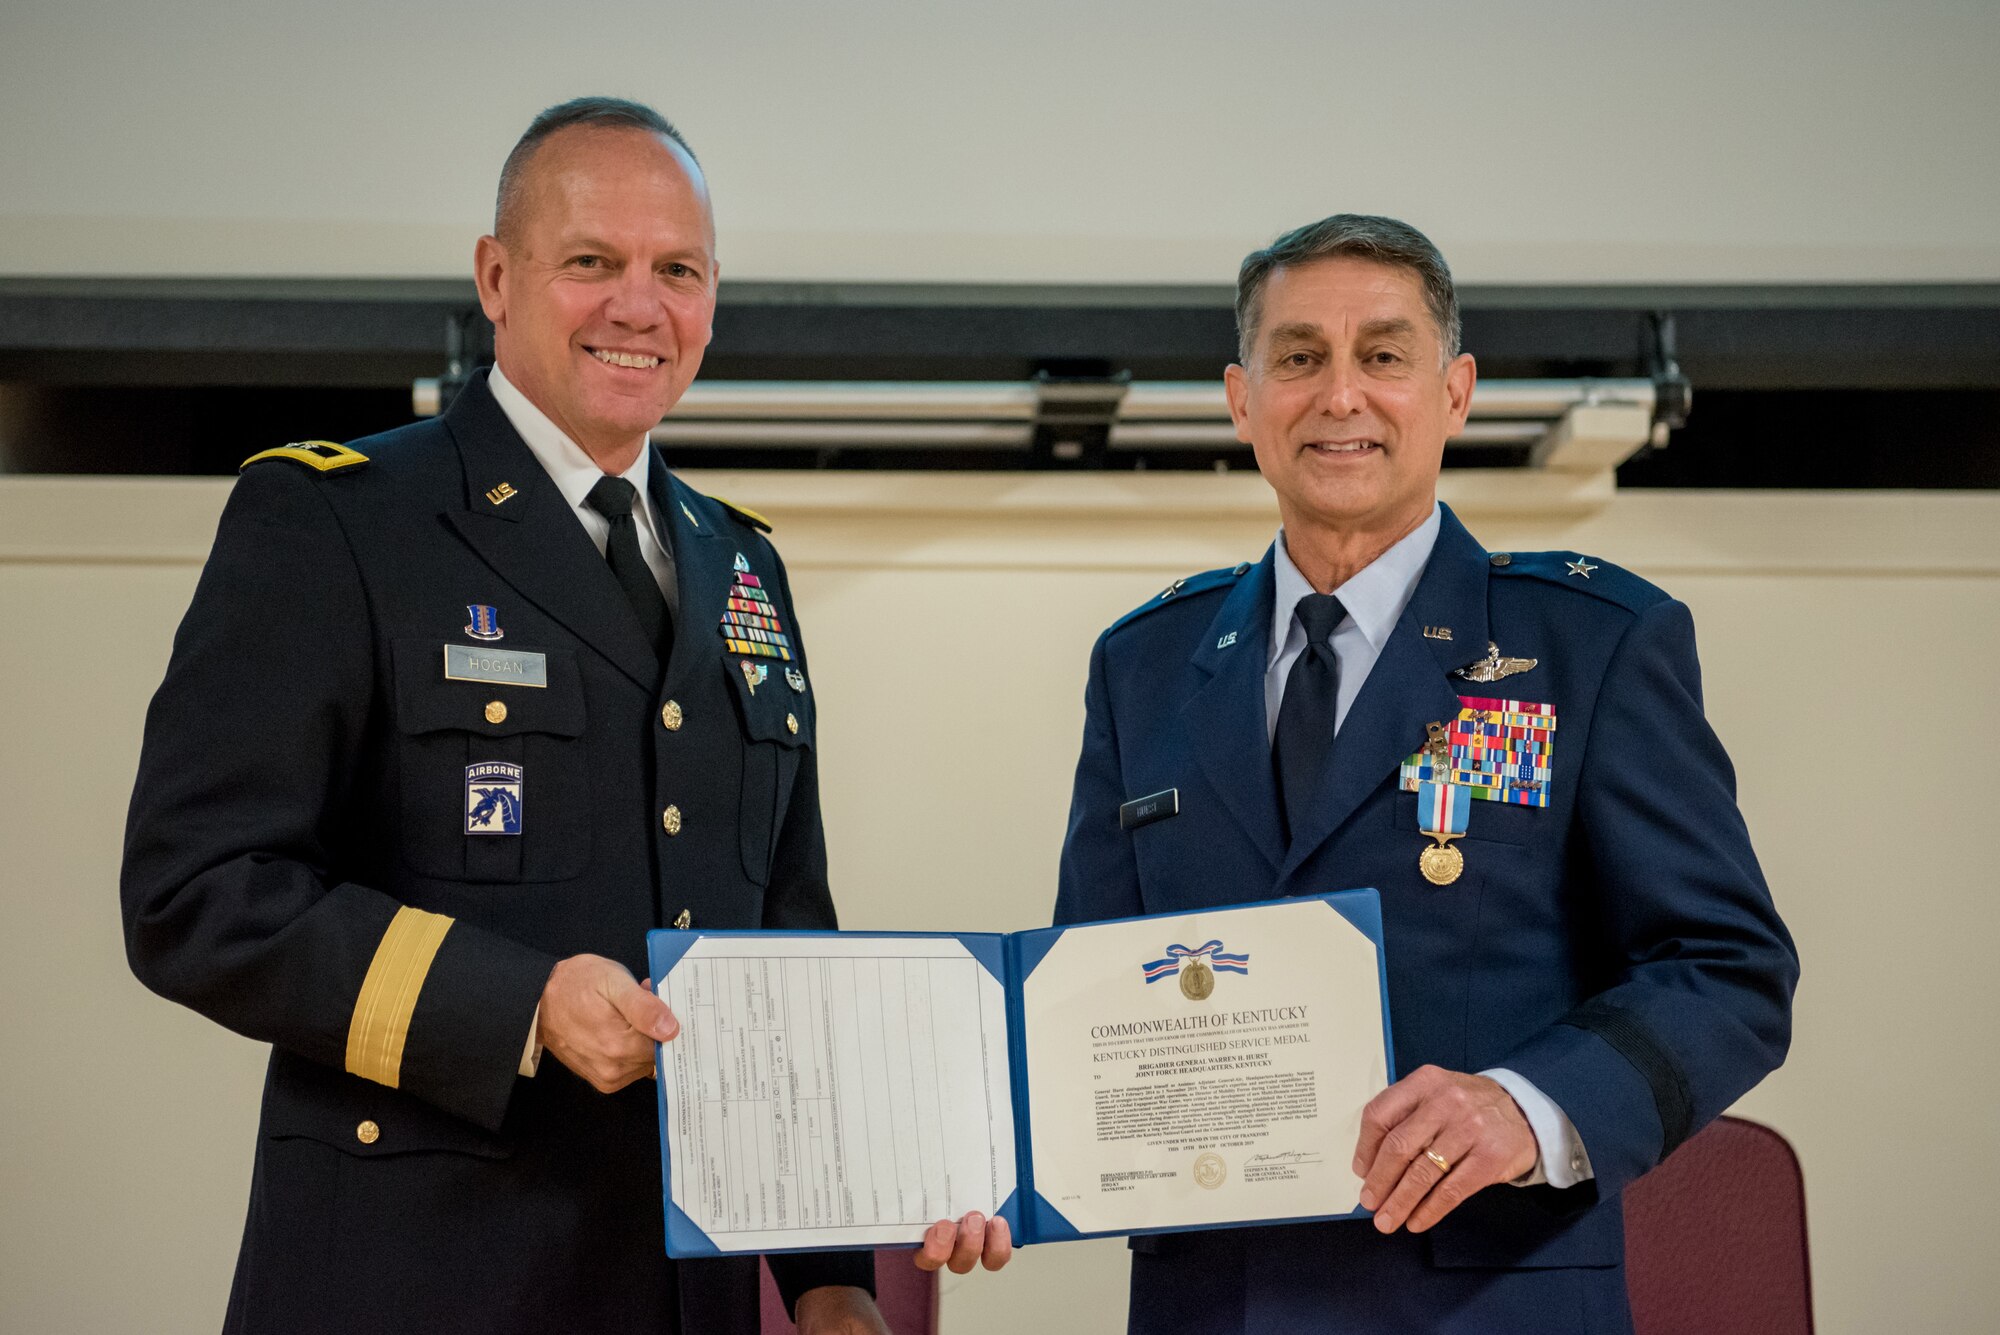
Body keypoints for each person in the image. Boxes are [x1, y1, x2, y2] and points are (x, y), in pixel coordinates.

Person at [121, 97, 1004, 1335]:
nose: (638, 307)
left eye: (677, 271)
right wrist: (519, 1005)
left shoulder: (739, 565)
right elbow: (196, 893)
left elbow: (782, 945)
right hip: (415, 1278)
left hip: (681, 1292)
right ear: (496, 276)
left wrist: (828, 1278)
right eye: (591, 262)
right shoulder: (337, 519)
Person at [1053, 214, 1797, 1333]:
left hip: (1483, 1301)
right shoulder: (1145, 664)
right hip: (1215, 1305)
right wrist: (999, 1159)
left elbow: (1727, 969)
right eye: (1297, 357)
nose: (1339, 395)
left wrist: (1529, 1104)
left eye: (1383, 356)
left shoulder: (1590, 643)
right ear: (1239, 398)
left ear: (1452, 392)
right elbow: (1089, 990)